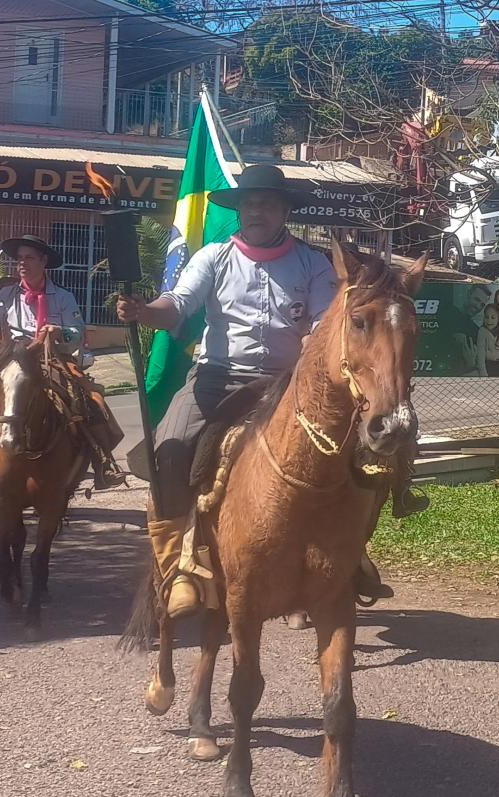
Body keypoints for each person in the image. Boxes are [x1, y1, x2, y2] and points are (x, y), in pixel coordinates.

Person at [116, 163, 416, 620]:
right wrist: (142, 311)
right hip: (218, 377)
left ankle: (353, 551)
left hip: (289, 383)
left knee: (368, 454)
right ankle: (177, 565)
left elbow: (322, 325)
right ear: (239, 210)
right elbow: (175, 308)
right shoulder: (213, 257)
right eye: (250, 203)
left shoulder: (312, 264)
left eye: (268, 204)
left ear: (282, 212)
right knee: (170, 451)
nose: (258, 210)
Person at [0, 234, 125, 490]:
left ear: (43, 261)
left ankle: (104, 461)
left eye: (29, 258)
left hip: (53, 357)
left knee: (89, 401)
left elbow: (77, 333)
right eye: (19, 259)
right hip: (14, 357)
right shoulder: (6, 294)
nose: (22, 263)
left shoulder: (63, 297)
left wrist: (60, 332)